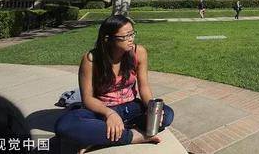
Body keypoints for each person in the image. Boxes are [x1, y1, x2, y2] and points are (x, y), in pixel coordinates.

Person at [54, 15, 174, 152]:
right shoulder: (91, 60)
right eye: (125, 36)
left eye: (132, 34)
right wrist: (110, 114)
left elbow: (144, 87)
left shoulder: (138, 52)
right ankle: (133, 136)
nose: (131, 39)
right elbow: (87, 99)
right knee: (65, 125)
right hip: (102, 110)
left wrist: (153, 110)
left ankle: (102, 136)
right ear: (108, 39)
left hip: (131, 107)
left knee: (167, 114)